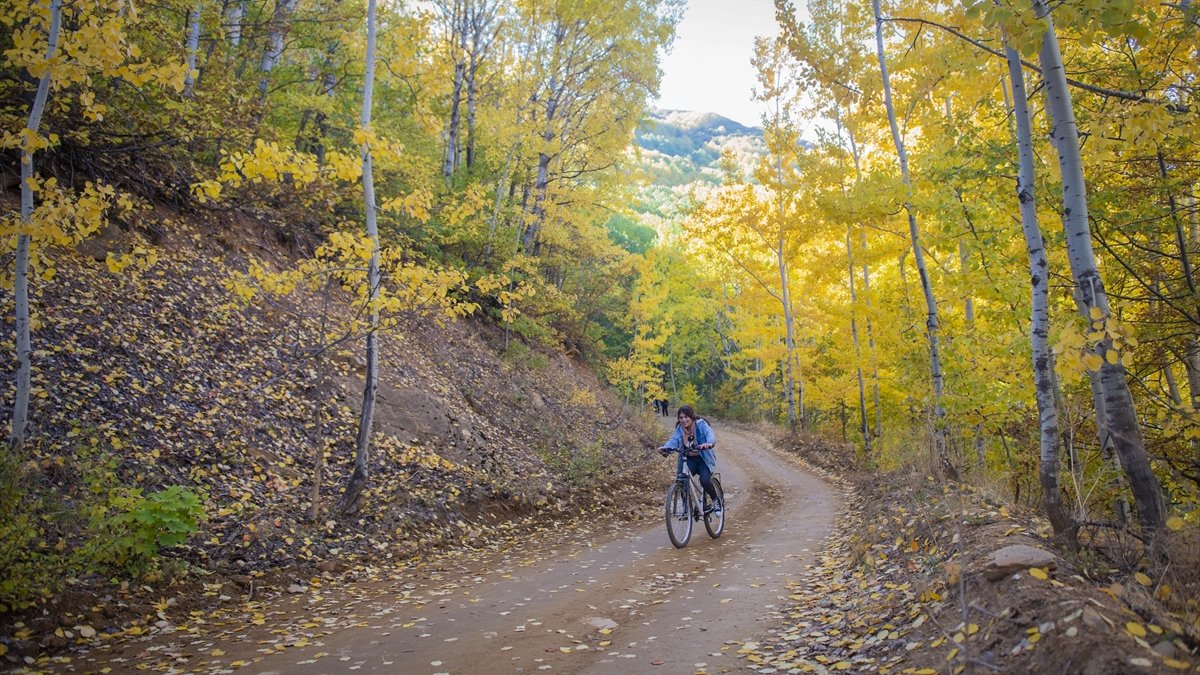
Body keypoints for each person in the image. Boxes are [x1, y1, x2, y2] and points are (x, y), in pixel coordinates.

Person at [658, 405, 721, 512]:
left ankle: (716, 501)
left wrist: (709, 443)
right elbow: (674, 440)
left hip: (703, 459)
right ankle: (686, 508)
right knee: (682, 480)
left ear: (692, 417)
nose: (683, 420)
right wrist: (665, 448)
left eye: (686, 417)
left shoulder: (701, 424)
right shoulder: (680, 429)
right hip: (689, 459)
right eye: (681, 417)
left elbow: (710, 435)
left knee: (704, 481)